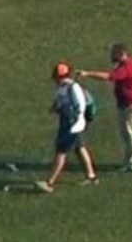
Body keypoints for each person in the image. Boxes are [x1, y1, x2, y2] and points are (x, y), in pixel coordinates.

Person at [78, 44, 132, 173]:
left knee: (128, 133)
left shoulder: (125, 69)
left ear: (119, 55)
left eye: (113, 55)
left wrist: (87, 74)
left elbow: (108, 77)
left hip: (129, 106)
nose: (111, 58)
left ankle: (131, 163)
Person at [36, 61, 98, 192]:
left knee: (61, 152)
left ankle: (50, 182)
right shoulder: (65, 88)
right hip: (74, 124)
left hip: (71, 125)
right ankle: (91, 175)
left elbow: (79, 106)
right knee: (80, 148)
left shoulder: (71, 88)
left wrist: (74, 121)